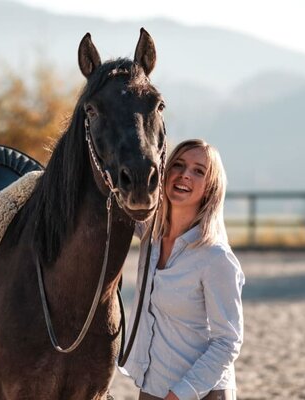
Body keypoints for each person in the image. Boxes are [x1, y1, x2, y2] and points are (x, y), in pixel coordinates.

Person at [122, 139, 245, 400]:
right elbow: (109, 199)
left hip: (202, 392)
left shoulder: (215, 257)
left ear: (210, 187)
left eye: (199, 171)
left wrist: (179, 395)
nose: (185, 174)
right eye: (178, 165)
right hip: (153, 387)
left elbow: (228, 341)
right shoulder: (150, 235)